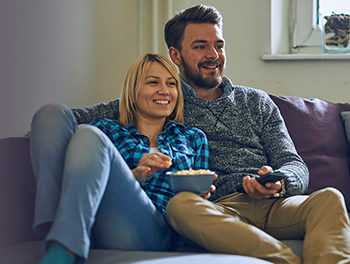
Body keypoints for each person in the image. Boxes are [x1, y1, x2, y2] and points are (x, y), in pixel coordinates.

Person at [30, 4, 350, 264]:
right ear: (176, 55)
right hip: (217, 209)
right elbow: (68, 121)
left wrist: (279, 180)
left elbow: (294, 164)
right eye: (200, 46)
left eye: (218, 45)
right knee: (182, 206)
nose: (213, 55)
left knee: (329, 199)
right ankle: (54, 232)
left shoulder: (257, 103)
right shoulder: (164, 99)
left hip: (275, 204)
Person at [30, 53, 212, 264]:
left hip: (159, 230)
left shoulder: (193, 138)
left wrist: (202, 195)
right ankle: (57, 234)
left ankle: (64, 245)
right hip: (100, 221)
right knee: (51, 113)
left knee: (89, 135)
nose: (165, 90)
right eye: (153, 82)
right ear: (133, 92)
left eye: (171, 84)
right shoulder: (108, 131)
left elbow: (199, 194)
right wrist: (134, 175)